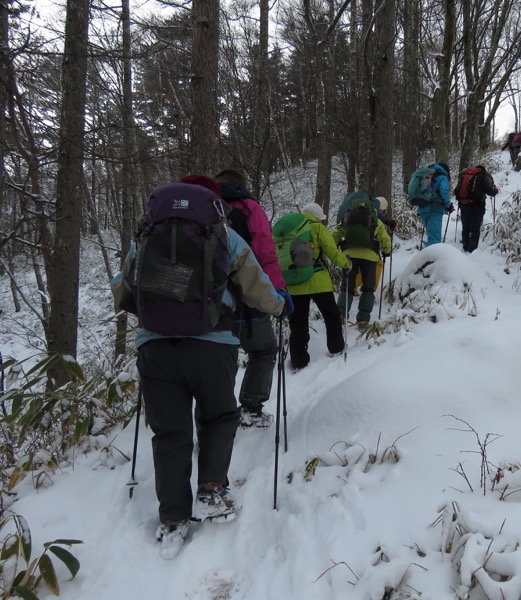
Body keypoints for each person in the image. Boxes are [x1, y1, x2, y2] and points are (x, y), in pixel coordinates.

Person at [111, 176, 291, 559]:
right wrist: (280, 305)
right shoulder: (224, 236)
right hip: (213, 343)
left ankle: (173, 518)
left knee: (170, 432)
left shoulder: (145, 235)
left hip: (155, 348)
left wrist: (153, 318)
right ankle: (212, 490)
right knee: (218, 416)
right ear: (213, 202)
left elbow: (120, 286)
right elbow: (257, 288)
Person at [214, 169, 286, 429]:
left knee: (219, 357)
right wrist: (277, 292)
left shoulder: (202, 212)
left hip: (209, 304)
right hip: (249, 299)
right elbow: (265, 253)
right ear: (240, 185)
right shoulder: (249, 208)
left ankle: (216, 417)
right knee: (264, 350)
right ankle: (250, 409)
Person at [286, 202, 351, 371]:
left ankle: (298, 362)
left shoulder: (291, 229)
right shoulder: (317, 228)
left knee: (298, 323)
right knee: (331, 315)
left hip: (294, 282)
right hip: (318, 281)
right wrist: (346, 264)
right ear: (318, 217)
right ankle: (336, 348)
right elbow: (332, 251)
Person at [332, 197, 393, 326]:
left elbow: (335, 235)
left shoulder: (347, 217)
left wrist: (334, 249)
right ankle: (363, 319)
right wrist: (387, 251)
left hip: (349, 256)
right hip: (370, 257)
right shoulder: (375, 219)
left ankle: (341, 314)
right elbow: (385, 239)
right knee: (368, 288)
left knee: (347, 286)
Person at [456, 165, 499, 253]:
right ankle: (472, 250)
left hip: (463, 205)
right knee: (475, 228)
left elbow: (456, 191)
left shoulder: (465, 175)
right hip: (477, 205)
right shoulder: (481, 176)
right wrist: (495, 191)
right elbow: (489, 191)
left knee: (465, 227)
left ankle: (465, 246)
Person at [416, 162, 454, 247]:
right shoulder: (442, 177)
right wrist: (449, 205)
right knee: (434, 240)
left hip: (423, 209)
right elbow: (443, 192)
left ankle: (428, 257)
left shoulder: (427, 175)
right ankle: (431, 259)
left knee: (431, 236)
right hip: (434, 210)